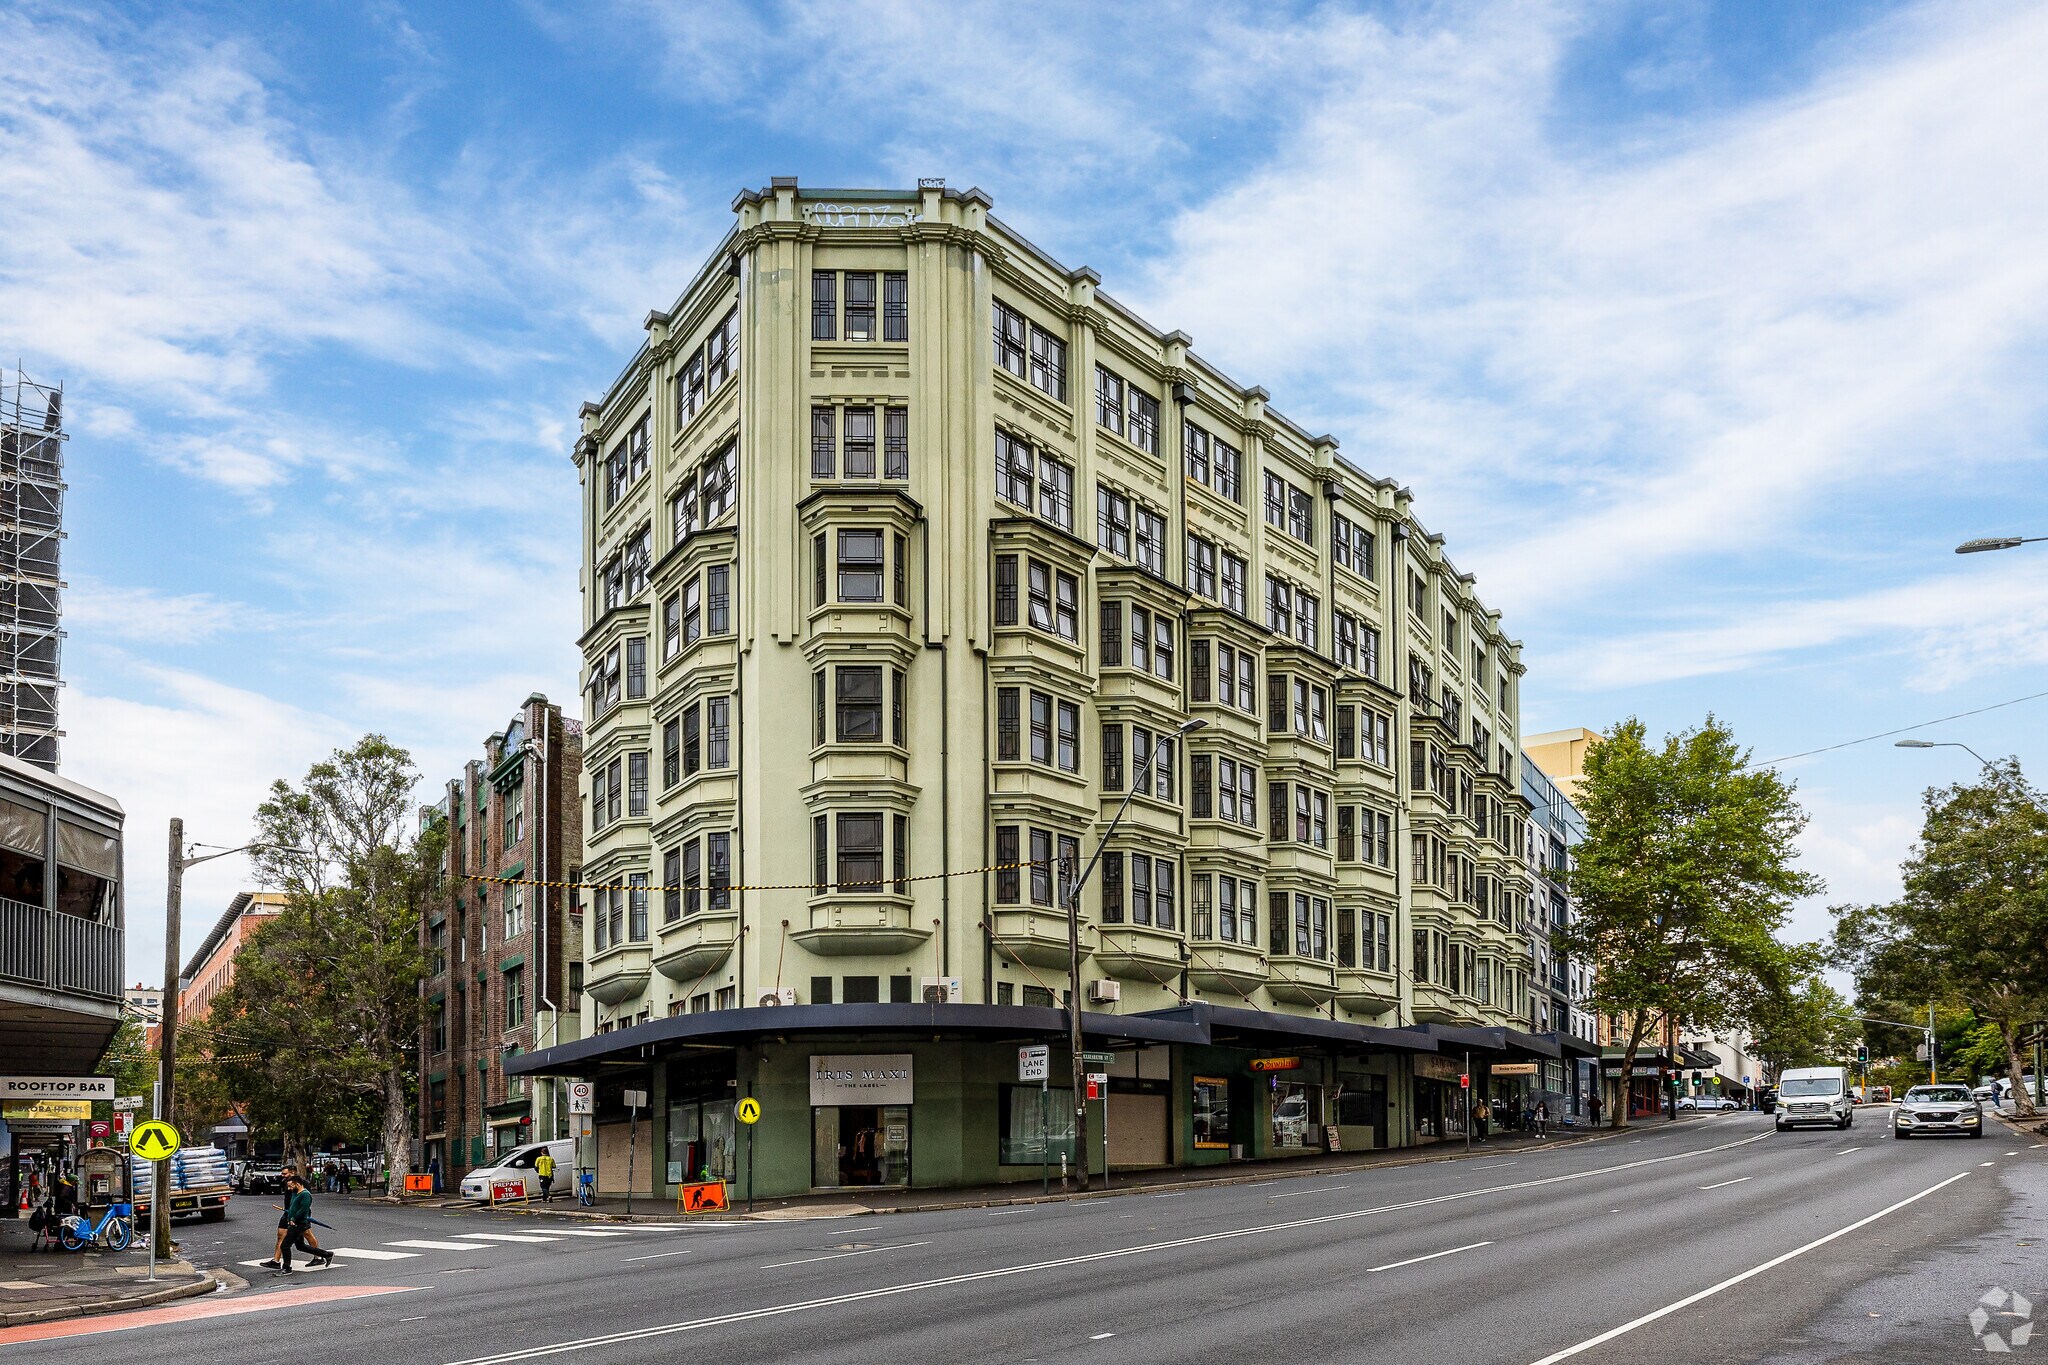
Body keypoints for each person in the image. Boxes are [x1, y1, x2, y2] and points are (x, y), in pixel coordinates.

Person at [274, 1173, 331, 1274]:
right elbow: (293, 1207)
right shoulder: (295, 1194)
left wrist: (294, 1219)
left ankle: (286, 1268)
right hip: (292, 1222)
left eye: (291, 1186)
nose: (289, 1188)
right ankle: (327, 1254)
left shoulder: (305, 1195)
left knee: (285, 1245)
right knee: (301, 1246)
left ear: (298, 1184)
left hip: (299, 1224)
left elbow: (304, 1210)